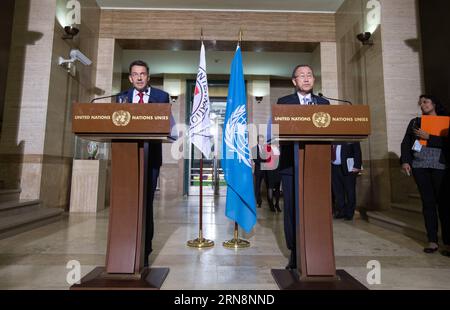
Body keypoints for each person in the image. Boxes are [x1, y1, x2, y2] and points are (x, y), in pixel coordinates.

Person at [117, 60, 170, 267]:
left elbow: (164, 124)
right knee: (127, 204)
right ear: (130, 78)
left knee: (145, 204)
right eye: (135, 74)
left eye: (143, 74)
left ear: (148, 77)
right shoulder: (121, 98)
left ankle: (145, 251)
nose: (139, 77)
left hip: (151, 158)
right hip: (126, 158)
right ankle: (125, 248)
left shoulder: (161, 97)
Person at [276, 64, 330, 270]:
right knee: (292, 208)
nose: (306, 79)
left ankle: (316, 250)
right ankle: (295, 251)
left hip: (317, 165)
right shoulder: (284, 102)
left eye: (310, 75)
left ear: (314, 80)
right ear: (294, 81)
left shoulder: (324, 103)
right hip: (291, 164)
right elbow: (278, 130)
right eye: (302, 76)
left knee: (316, 207)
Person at [400, 94, 450, 255]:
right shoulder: (415, 122)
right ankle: (432, 240)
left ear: (434, 104)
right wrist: (405, 161)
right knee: (428, 203)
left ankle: (448, 242)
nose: (423, 105)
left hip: (440, 166)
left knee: (444, 204)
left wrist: (430, 137)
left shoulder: (446, 120)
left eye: (426, 101)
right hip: (419, 165)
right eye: (421, 103)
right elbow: (406, 142)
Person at [331, 142, 362, 221]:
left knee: (350, 191)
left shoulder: (350, 136)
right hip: (334, 167)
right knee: (338, 191)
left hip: (349, 167)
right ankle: (342, 211)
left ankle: (350, 213)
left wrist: (357, 166)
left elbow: (357, 151)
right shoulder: (332, 137)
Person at [262, 143, 282, 213]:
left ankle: (277, 204)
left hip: (278, 170)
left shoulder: (279, 147)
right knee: (270, 187)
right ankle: (271, 205)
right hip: (270, 170)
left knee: (277, 188)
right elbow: (264, 158)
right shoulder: (267, 147)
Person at [252, 135, 270, 210]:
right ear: (258, 140)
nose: (262, 141)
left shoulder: (265, 148)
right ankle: (258, 202)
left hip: (265, 171)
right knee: (257, 187)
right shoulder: (254, 149)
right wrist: (263, 162)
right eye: (260, 140)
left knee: (269, 186)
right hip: (258, 170)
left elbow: (268, 157)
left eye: (263, 140)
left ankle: (270, 203)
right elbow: (255, 160)